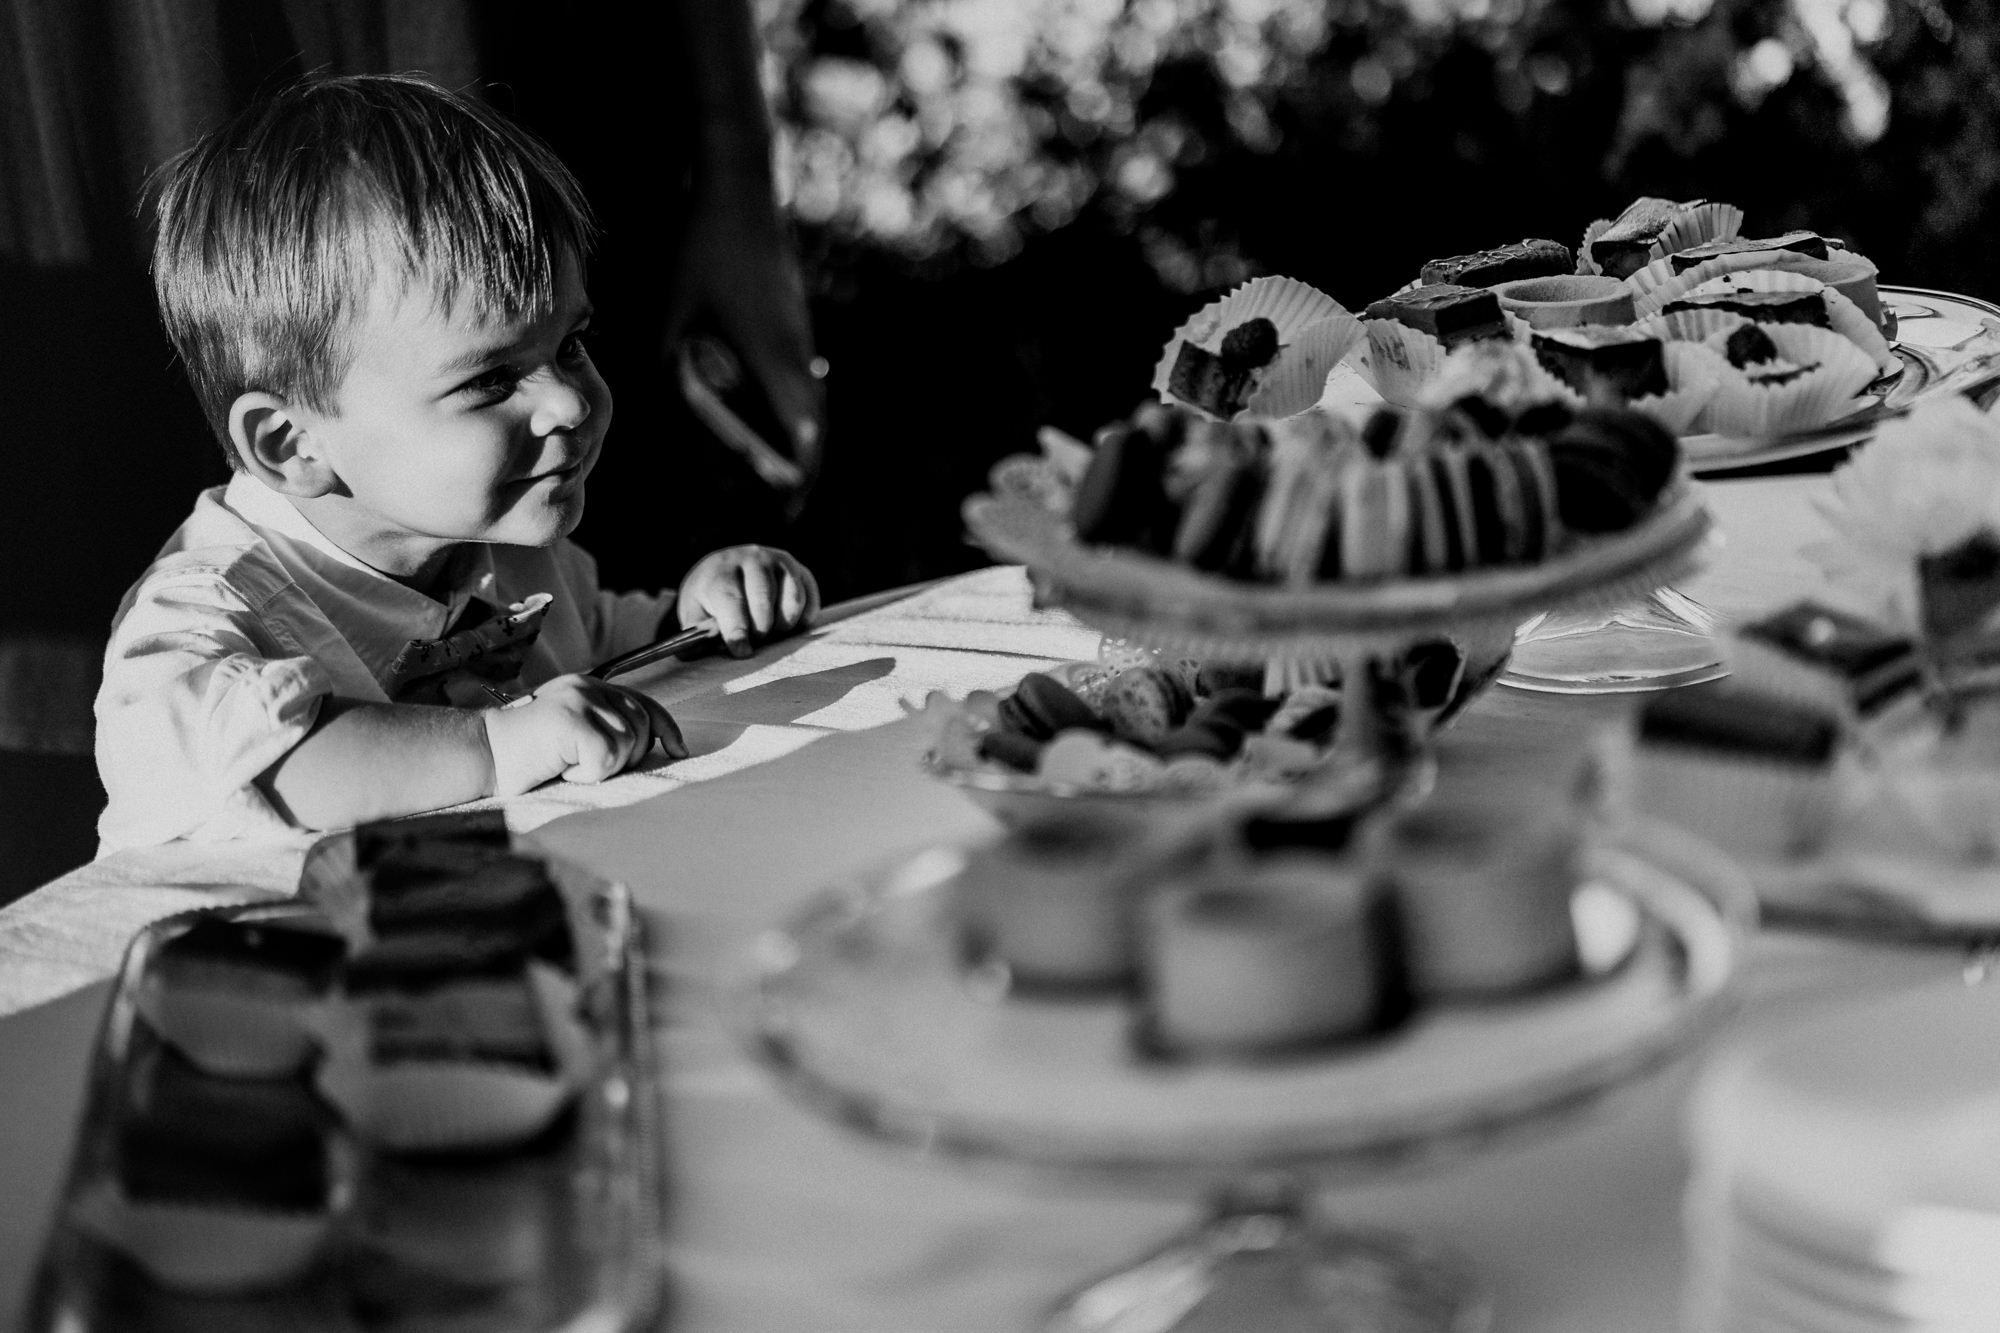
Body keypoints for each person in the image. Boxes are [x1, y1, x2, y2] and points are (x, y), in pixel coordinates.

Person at [92, 74, 818, 853]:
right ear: (291, 443)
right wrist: (497, 745)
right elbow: (263, 761)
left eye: (570, 345)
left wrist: (697, 616)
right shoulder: (205, 614)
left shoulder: (505, 546)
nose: (571, 403)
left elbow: (598, 651)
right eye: (490, 379)